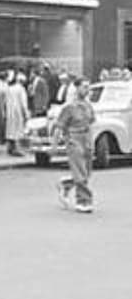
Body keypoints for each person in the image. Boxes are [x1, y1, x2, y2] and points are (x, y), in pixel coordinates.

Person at [54, 77, 96, 213]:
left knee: (86, 172)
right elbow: (59, 127)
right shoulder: (69, 107)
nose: (87, 90)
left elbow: (91, 123)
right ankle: (83, 200)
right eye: (84, 87)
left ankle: (66, 184)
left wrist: (91, 142)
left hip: (86, 139)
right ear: (77, 88)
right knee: (80, 171)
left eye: (88, 87)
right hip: (74, 139)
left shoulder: (88, 106)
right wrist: (54, 145)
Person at [5, 73, 29, 156]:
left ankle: (9, 147)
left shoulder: (9, 88)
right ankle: (17, 149)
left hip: (9, 111)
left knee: (10, 129)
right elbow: (23, 102)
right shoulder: (21, 89)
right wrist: (26, 113)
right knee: (18, 130)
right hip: (18, 111)